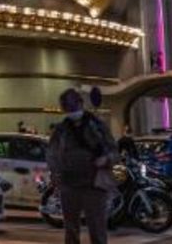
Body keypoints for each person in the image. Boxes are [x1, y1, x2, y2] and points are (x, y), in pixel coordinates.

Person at [47, 88, 117, 244]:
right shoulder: (61, 129)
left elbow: (114, 151)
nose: (70, 110)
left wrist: (106, 159)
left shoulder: (97, 125)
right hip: (69, 184)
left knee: (97, 229)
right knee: (71, 230)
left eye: (72, 105)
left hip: (94, 185)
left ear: (80, 103)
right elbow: (52, 154)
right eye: (66, 107)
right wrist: (55, 174)